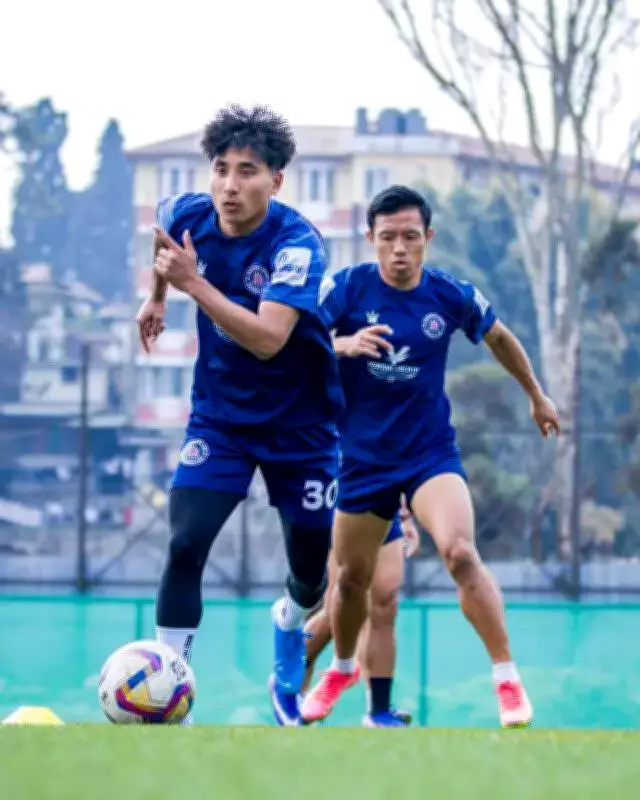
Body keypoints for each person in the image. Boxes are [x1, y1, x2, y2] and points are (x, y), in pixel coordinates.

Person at [300, 185, 561, 729]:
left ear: (428, 238)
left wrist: (537, 396)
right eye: (388, 237)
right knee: (350, 580)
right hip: (362, 459)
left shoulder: (450, 294)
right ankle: (342, 668)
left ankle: (507, 678)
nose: (399, 248)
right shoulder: (345, 288)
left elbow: (499, 338)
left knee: (461, 553)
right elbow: (295, 338)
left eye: (410, 237)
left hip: (428, 454)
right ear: (370, 237)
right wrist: (342, 344)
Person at [136, 105, 344, 720]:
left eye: (247, 172)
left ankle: (291, 616)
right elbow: (163, 233)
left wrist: (192, 285)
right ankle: (171, 690)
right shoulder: (189, 213)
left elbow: (269, 339)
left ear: (276, 180)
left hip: (301, 425)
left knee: (310, 573)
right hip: (220, 420)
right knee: (185, 544)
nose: (229, 185)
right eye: (220, 169)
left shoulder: (297, 244)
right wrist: (156, 298)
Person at [270, 501, 420, 728]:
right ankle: (288, 676)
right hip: (342, 503)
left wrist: (405, 518)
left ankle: (378, 710)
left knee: (382, 605)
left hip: (384, 506)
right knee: (337, 611)